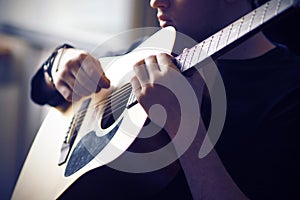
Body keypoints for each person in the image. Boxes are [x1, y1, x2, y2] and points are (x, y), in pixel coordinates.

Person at [30, 0, 300, 199]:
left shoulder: (290, 91)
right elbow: (41, 92)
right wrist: (58, 64)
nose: (155, 2)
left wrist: (187, 130)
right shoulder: (155, 46)